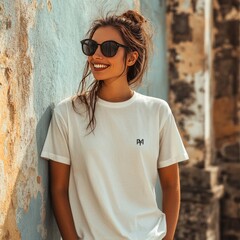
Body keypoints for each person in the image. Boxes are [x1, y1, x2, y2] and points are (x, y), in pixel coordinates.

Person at [41, 9, 189, 240]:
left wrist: (168, 238)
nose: (96, 56)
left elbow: (171, 185)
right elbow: (58, 190)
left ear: (131, 57)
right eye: (92, 47)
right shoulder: (67, 113)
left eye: (109, 48)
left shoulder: (157, 112)